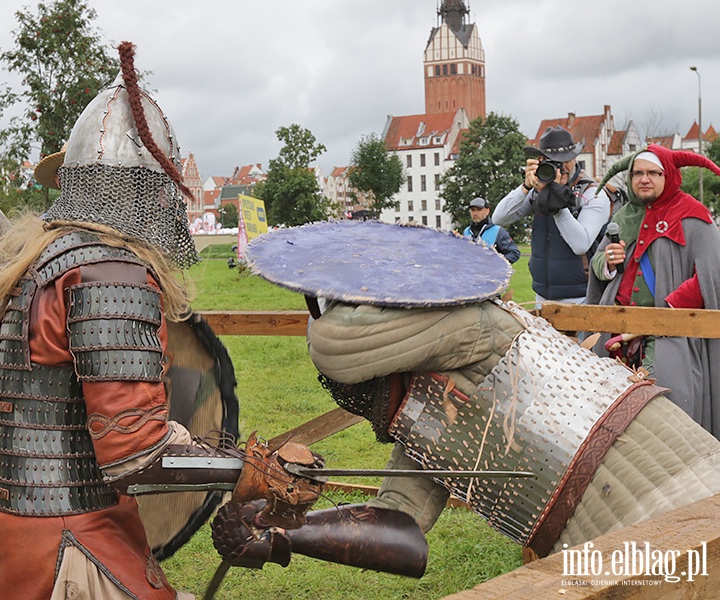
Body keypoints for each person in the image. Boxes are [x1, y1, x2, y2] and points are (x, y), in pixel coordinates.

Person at [211, 222, 720, 578]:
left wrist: (331, 302)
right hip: (595, 538)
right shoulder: (434, 409)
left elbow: (333, 346)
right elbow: (401, 530)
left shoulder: (477, 326)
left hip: (678, 496)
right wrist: (281, 535)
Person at [0, 42, 248, 600]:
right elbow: (134, 452)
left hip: (18, 534)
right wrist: (239, 472)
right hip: (71, 547)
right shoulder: (110, 273)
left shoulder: (41, 262)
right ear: (150, 192)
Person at [586, 144, 720, 439]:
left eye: (652, 173)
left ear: (668, 175)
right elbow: (598, 263)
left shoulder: (694, 216)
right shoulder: (623, 216)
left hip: (673, 331)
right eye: (637, 174)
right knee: (599, 402)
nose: (644, 179)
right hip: (616, 331)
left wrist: (669, 310)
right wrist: (607, 262)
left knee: (671, 399)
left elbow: (711, 275)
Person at [492, 126, 610, 304]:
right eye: (551, 161)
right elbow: (499, 218)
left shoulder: (592, 193)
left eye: (564, 160)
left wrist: (555, 202)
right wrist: (525, 187)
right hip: (542, 295)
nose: (560, 167)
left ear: (574, 157)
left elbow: (581, 244)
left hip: (582, 296)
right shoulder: (538, 190)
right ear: (541, 160)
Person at [462, 197, 520, 263]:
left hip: (492, 272)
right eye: (473, 210)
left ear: (487, 211)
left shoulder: (498, 231)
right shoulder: (466, 232)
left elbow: (514, 253)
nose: (475, 213)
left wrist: (495, 263)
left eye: (479, 210)